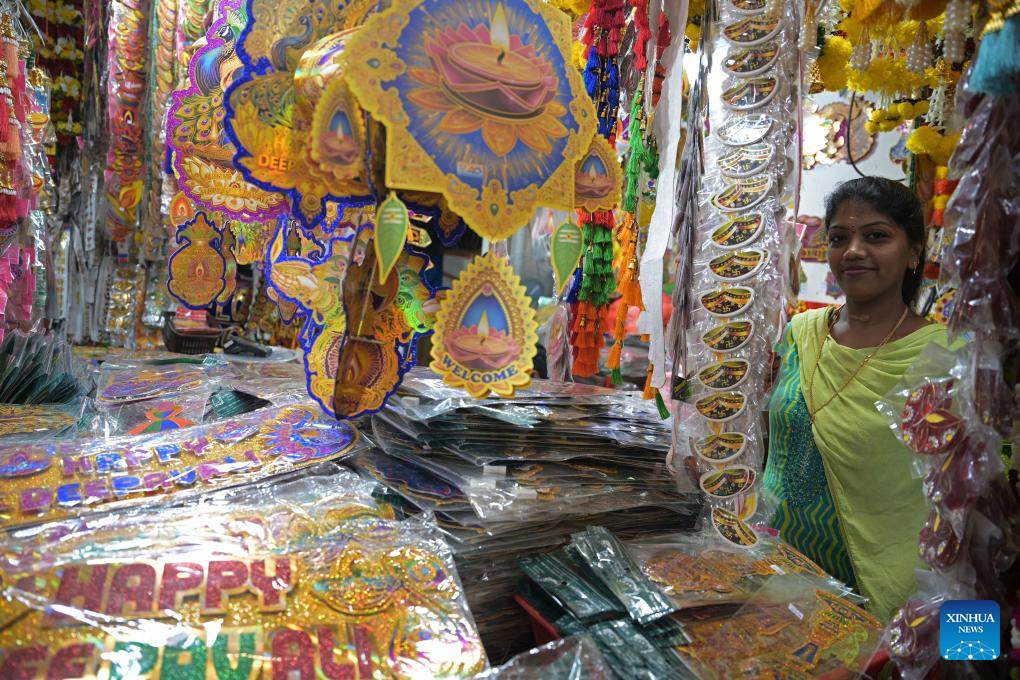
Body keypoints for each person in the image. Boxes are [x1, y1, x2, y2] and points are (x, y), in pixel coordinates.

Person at [763, 176, 953, 622]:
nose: (853, 250)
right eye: (839, 238)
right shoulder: (800, 334)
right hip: (777, 572)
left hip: (893, 590)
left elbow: (971, 497)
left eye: (877, 236)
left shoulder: (945, 354)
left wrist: (972, 644)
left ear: (913, 253)